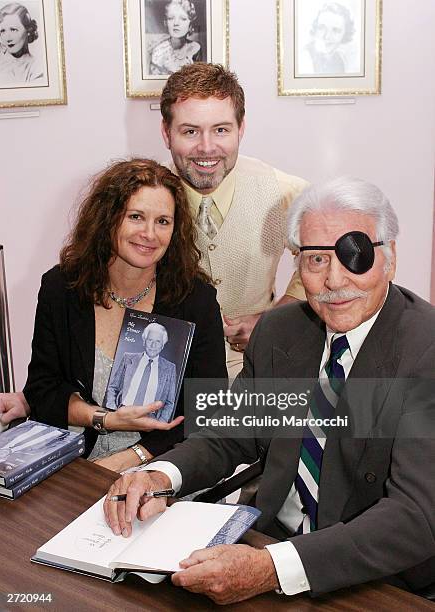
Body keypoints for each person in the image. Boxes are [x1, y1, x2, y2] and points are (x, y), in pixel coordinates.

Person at [104, 176, 435, 603]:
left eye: (356, 256)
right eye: (315, 259)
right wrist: (159, 475)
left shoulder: (426, 351)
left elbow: (415, 517)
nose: (334, 279)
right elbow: (231, 434)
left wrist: (273, 568)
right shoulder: (282, 331)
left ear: (390, 258)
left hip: (376, 578)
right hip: (266, 540)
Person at [22, 158, 226, 473]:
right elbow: (42, 389)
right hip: (74, 458)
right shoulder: (61, 288)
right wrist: (102, 418)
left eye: (163, 221)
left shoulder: (195, 300)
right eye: (135, 217)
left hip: (161, 463)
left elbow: (206, 411)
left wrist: (132, 460)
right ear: (108, 218)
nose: (149, 233)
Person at [160, 62, 309, 376]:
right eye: (190, 131)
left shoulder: (286, 192)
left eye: (221, 130)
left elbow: (331, 258)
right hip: (168, 374)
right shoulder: (140, 197)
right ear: (166, 133)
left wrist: (277, 319)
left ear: (241, 129)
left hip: (260, 368)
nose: (206, 147)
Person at [105, 323, 176, 421]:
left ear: (162, 345)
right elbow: (113, 387)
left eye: (158, 341)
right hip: (122, 412)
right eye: (150, 340)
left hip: (150, 419)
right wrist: (112, 411)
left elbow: (169, 402)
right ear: (144, 341)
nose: (153, 345)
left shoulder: (170, 368)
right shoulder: (128, 358)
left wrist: (160, 423)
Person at [298, 2, 355, 75]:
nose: (327, 36)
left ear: (345, 33)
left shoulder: (340, 59)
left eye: (336, 30)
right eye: (321, 28)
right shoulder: (304, 58)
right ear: (315, 28)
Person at [150, 0, 201, 75]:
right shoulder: (158, 52)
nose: (176, 23)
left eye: (183, 18)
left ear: (190, 24)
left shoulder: (196, 48)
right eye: (171, 18)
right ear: (165, 22)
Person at [0, 2, 43, 84]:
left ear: (28, 30)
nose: (7, 38)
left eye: (13, 29)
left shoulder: (37, 69)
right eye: (3, 31)